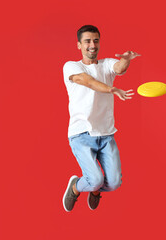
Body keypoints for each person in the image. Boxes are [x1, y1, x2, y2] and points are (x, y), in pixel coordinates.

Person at [62, 25, 139, 212]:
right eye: (87, 41)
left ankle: (95, 190)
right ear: (79, 45)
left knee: (113, 183)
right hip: (81, 134)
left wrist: (126, 60)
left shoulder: (105, 65)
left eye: (95, 40)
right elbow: (87, 81)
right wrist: (111, 89)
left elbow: (119, 68)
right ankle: (75, 187)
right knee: (95, 179)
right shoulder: (71, 66)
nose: (92, 45)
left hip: (106, 134)